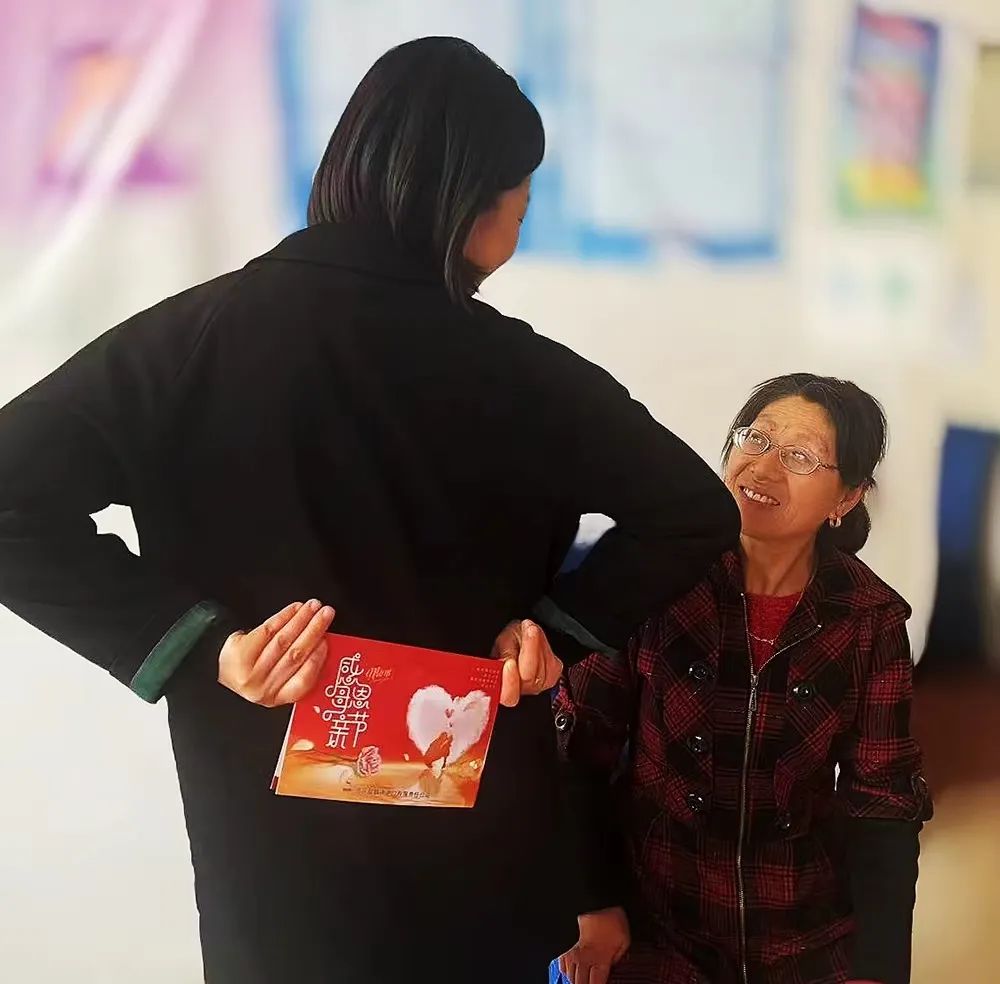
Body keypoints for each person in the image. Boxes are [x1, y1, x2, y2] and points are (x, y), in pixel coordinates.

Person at [0, 37, 739, 983]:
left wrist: (205, 647)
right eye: (520, 203)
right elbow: (692, 512)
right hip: (476, 849)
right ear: (476, 205)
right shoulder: (523, 373)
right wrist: (558, 629)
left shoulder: (189, 345)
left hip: (281, 879)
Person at [555, 374, 932, 984]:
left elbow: (883, 801)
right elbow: (575, 752)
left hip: (805, 934)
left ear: (846, 498)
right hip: (657, 923)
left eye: (800, 455)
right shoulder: (654, 579)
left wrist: (879, 968)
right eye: (755, 438)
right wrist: (593, 904)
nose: (762, 467)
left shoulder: (870, 618)